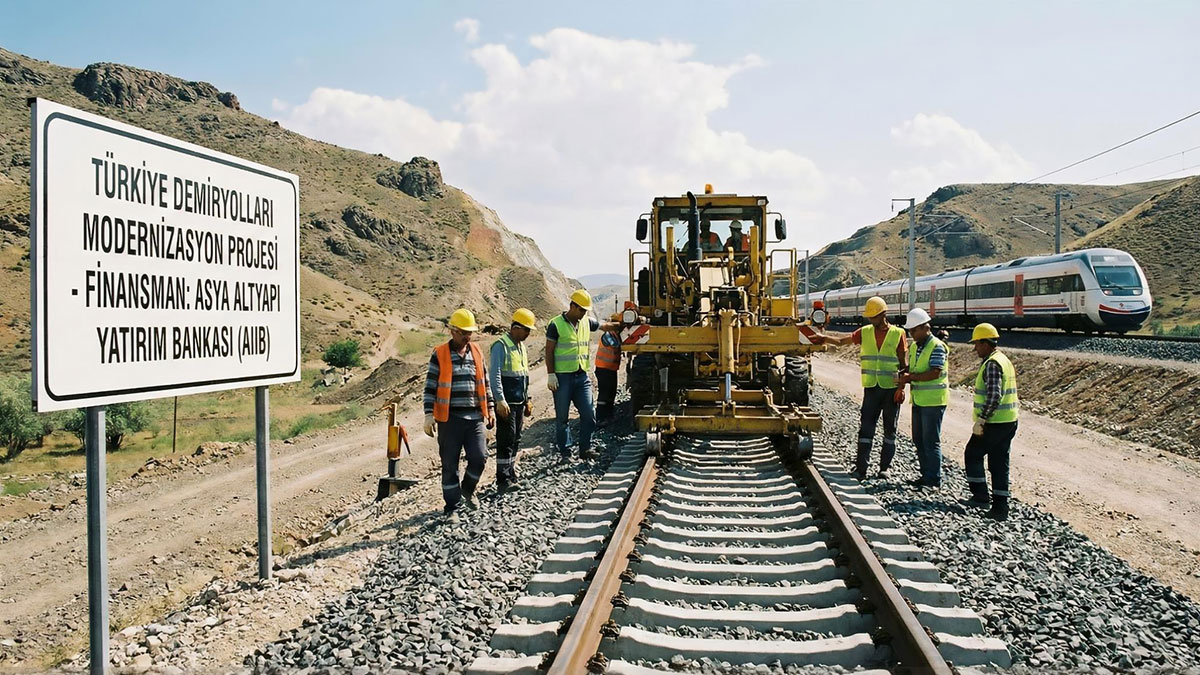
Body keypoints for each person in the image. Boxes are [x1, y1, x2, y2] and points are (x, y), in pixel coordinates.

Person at [819, 296, 908, 480]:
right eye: (870, 317)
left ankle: (884, 468)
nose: (871, 320)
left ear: (883, 314)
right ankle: (861, 469)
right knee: (866, 429)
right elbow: (842, 342)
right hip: (871, 388)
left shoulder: (898, 333)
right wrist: (824, 338)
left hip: (891, 390)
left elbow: (903, 364)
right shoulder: (865, 332)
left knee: (890, 429)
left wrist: (902, 387)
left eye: (874, 317)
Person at [424, 308, 494, 520]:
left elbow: (485, 382)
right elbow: (430, 386)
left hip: (475, 417)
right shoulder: (440, 354)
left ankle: (468, 489)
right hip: (450, 419)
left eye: (470, 332)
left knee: (480, 457)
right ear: (453, 331)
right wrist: (428, 414)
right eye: (463, 332)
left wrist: (490, 408)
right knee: (449, 464)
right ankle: (452, 507)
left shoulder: (477, 352)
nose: (467, 336)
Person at [546, 289, 622, 460]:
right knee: (562, 419)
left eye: (585, 311)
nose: (583, 313)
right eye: (581, 310)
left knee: (589, 415)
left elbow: (605, 326)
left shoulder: (586, 322)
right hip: (563, 377)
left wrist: (624, 323)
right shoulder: (555, 324)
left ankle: (585, 449)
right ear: (572, 306)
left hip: (581, 377)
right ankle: (565, 452)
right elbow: (549, 351)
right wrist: (551, 374)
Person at [963, 323, 1019, 521]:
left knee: (972, 453)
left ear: (986, 343)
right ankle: (1000, 507)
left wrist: (982, 419)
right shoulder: (1002, 359)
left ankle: (980, 496)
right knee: (999, 463)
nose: (975, 348)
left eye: (977, 344)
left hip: (995, 423)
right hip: (1009, 420)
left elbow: (994, 395)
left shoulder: (992, 364)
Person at [898, 308, 947, 488]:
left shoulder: (937, 346)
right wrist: (904, 373)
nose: (911, 334)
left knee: (930, 441)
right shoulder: (914, 347)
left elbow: (935, 372)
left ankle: (933, 479)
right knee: (919, 440)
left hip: (933, 401)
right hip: (919, 400)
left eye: (913, 330)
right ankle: (925, 475)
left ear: (924, 327)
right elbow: (914, 368)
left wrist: (910, 377)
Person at [489, 308, 536, 492]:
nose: (528, 333)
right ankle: (503, 480)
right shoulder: (500, 346)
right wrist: (500, 400)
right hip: (506, 405)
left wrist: (527, 399)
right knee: (506, 440)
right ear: (515, 328)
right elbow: (495, 375)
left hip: (518, 403)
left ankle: (511, 474)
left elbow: (524, 375)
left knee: (515, 439)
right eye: (526, 330)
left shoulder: (521, 347)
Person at [594, 318, 622, 425]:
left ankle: (609, 416)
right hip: (603, 369)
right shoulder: (608, 335)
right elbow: (615, 344)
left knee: (611, 392)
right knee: (604, 393)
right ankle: (600, 418)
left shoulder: (615, 335)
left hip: (611, 369)